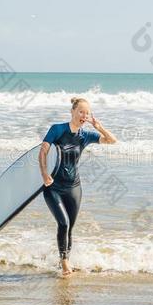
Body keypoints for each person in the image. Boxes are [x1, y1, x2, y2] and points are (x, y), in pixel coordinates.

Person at [39, 97, 117, 276]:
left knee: (70, 227)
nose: (84, 115)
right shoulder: (57, 129)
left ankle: (64, 259)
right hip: (53, 187)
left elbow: (112, 141)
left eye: (87, 113)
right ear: (72, 111)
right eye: (81, 111)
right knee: (63, 223)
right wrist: (44, 174)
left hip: (74, 187)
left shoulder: (85, 136)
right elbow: (43, 151)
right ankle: (65, 263)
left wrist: (99, 127)